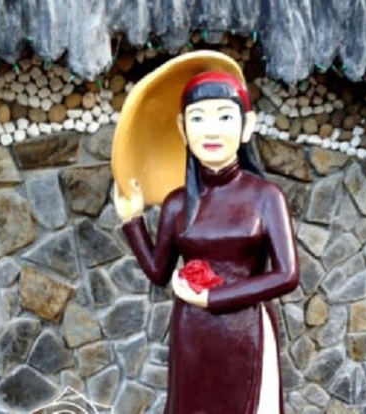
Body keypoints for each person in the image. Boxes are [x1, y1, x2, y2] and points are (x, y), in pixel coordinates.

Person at [112, 50, 299, 414]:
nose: (211, 130)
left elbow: (287, 275)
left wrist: (214, 298)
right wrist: (133, 221)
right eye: (198, 118)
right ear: (183, 129)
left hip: (246, 330)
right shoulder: (177, 204)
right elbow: (159, 272)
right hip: (193, 332)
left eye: (225, 116)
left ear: (246, 125)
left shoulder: (266, 197)